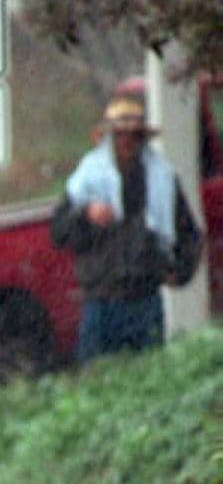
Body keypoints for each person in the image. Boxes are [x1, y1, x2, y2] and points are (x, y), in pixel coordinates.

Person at [51, 90, 203, 363]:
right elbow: (60, 233)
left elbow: (189, 234)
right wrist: (86, 214)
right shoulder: (87, 181)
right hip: (100, 301)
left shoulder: (162, 180)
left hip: (144, 299)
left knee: (147, 382)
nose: (127, 141)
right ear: (109, 138)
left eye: (134, 135)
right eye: (120, 134)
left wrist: (178, 271)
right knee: (97, 384)